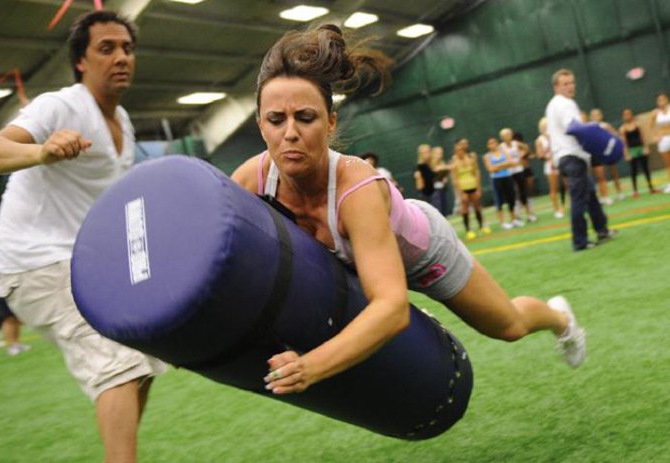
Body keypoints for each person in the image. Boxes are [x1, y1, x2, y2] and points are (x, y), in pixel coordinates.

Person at [231, 24, 587, 396]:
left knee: (507, 326)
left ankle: (561, 319)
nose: (289, 133)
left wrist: (311, 367)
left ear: (330, 122)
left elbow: (391, 307)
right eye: (276, 120)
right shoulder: (251, 181)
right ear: (260, 125)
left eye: (305, 118)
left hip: (422, 251)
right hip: (355, 265)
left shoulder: (356, 189)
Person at [0, 11, 166, 462]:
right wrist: (42, 150)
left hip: (83, 265)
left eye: (128, 48)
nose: (122, 57)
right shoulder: (59, 105)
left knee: (145, 361)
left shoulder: (124, 123)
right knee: (119, 364)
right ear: (81, 61)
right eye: (107, 48)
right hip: (32, 264)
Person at [545, 69, 614, 251]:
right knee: (579, 200)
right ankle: (580, 242)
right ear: (556, 86)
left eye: (572, 82)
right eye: (565, 83)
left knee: (590, 195)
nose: (570, 86)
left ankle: (602, 229)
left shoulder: (552, 105)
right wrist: (597, 137)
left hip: (566, 157)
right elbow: (574, 128)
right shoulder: (565, 104)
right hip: (572, 157)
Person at [452, 138, 489, 239]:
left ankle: (481, 226)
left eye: (461, 150)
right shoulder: (454, 163)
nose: (460, 152)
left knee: (477, 205)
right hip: (463, 188)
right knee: (465, 208)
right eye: (457, 151)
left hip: (473, 186)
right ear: (455, 152)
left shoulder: (471, 159)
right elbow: (455, 179)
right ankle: (468, 230)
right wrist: (460, 193)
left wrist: (478, 188)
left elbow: (476, 173)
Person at [499, 128, 536, 223]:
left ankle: (529, 214)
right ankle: (515, 216)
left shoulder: (515, 143)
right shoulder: (501, 147)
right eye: (506, 135)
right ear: (502, 137)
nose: (508, 136)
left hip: (519, 170)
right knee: (512, 194)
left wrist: (521, 155)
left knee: (523, 191)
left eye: (509, 134)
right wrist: (508, 162)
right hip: (509, 172)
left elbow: (526, 147)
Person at [619, 108, 657, 197]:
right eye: (625, 114)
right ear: (623, 116)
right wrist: (627, 153)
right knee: (633, 170)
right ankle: (635, 191)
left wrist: (646, 147)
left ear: (632, 115)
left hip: (640, 148)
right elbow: (624, 142)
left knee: (646, 168)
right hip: (632, 150)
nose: (627, 116)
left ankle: (651, 187)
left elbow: (643, 136)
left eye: (629, 113)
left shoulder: (637, 125)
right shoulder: (623, 128)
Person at [483, 137, 518, 229]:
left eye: (494, 142)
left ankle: (513, 219)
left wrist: (498, 166)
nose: (492, 145)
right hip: (496, 180)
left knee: (511, 198)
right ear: (488, 146)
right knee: (499, 200)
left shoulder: (504, 152)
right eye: (490, 143)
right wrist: (504, 164)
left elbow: (511, 162)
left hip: (507, 177)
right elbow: (491, 169)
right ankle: (502, 222)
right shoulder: (487, 156)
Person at [590, 108, 624, 203]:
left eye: (597, 114)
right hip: (598, 153)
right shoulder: (590, 127)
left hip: (608, 151)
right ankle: (604, 196)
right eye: (593, 115)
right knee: (600, 175)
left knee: (614, 172)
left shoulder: (606, 125)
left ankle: (619, 192)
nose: (596, 116)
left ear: (601, 116)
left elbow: (615, 135)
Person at [535, 118, 565, 218]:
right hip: (550, 165)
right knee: (553, 188)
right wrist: (549, 146)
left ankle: (565, 206)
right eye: (545, 126)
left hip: (561, 161)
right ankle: (557, 209)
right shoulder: (540, 140)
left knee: (566, 184)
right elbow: (540, 155)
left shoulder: (556, 135)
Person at [649, 91, 670, 193]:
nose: (661, 101)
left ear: (667, 99)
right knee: (667, 163)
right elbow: (651, 127)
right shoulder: (655, 113)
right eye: (659, 100)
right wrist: (656, 136)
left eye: (663, 99)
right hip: (664, 140)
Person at [413, 143, 441, 210]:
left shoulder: (431, 164)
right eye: (424, 152)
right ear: (421, 154)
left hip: (434, 192)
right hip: (425, 195)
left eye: (428, 152)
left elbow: (434, 178)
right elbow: (419, 185)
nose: (427, 154)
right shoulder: (419, 167)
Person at [430, 146, 451, 216]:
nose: (440, 155)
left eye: (441, 153)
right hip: (434, 191)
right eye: (438, 153)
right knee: (438, 208)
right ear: (433, 154)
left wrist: (445, 178)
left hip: (442, 188)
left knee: (444, 207)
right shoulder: (430, 164)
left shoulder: (442, 162)